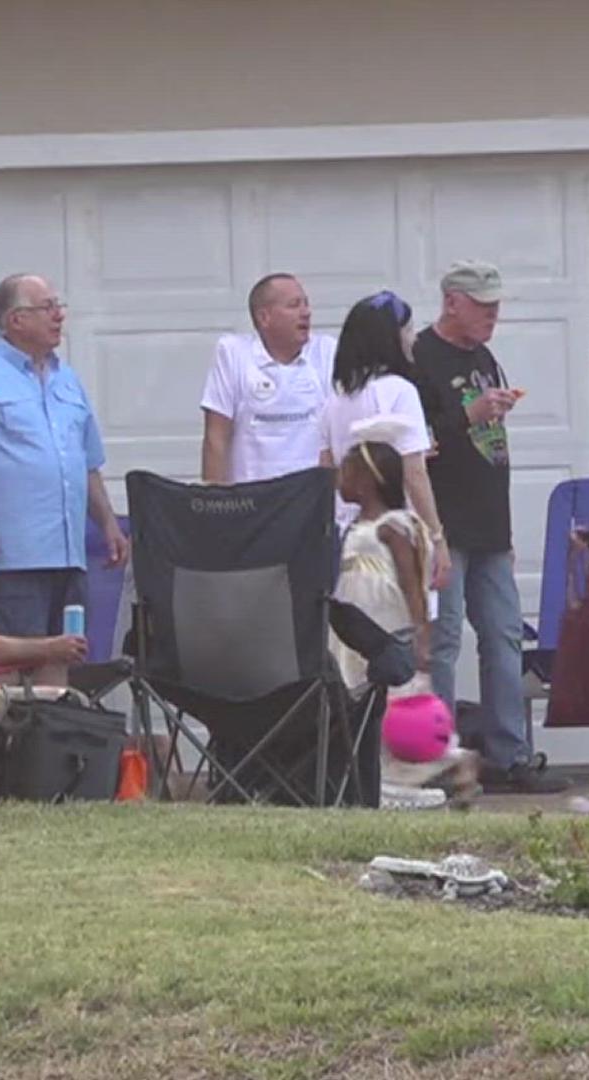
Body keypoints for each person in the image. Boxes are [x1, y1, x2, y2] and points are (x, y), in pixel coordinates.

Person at [0, 273, 129, 686]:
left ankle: (51, 747)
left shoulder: (66, 379)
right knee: (10, 669)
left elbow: (86, 461)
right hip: (12, 559)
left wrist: (107, 522)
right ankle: (14, 749)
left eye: (59, 306)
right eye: (48, 307)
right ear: (16, 319)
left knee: (61, 660)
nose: (59, 315)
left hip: (68, 556)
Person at [414, 260, 565, 793]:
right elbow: (416, 442)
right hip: (445, 521)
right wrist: (468, 416)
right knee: (446, 639)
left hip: (489, 521)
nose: (492, 315)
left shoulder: (485, 357)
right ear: (452, 301)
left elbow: (490, 441)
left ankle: (509, 754)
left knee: (503, 635)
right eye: (482, 305)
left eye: (496, 305)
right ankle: (442, 757)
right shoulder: (420, 359)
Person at [331, 432, 479, 809]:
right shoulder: (352, 528)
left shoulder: (395, 525)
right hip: (353, 638)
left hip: (386, 634)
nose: (338, 480)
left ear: (367, 480)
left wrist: (421, 632)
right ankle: (382, 782)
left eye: (345, 472)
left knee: (397, 711)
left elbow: (413, 584)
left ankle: (451, 764)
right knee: (363, 712)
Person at [316, 291, 447, 547]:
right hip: (396, 536)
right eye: (408, 330)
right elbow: (414, 474)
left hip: (349, 536)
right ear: (389, 340)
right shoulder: (400, 391)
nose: (414, 338)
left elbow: (327, 471)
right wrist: (436, 536)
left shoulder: (334, 400)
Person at [200, 273, 337, 485]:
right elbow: (216, 437)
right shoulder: (234, 354)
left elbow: (335, 436)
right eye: (294, 305)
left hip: (309, 501)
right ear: (264, 317)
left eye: (306, 304)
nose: (306, 313)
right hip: (251, 501)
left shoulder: (326, 352)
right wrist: (213, 504)